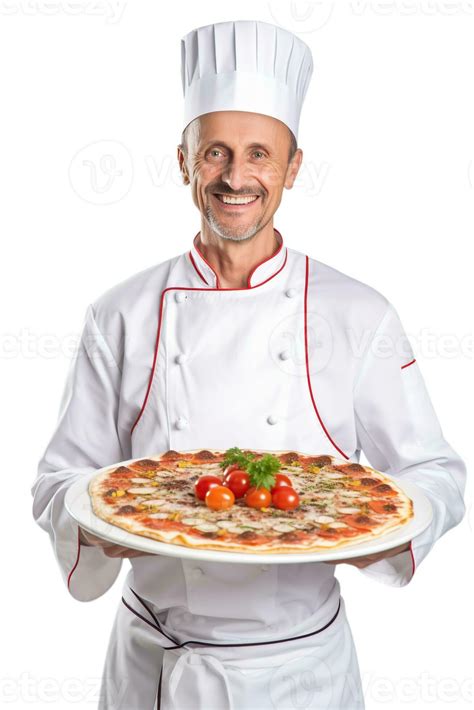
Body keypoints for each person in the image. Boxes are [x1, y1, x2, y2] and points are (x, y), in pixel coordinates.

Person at [31, 19, 467, 710]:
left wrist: (379, 539)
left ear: (293, 168)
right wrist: (94, 525)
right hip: (153, 663)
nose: (236, 177)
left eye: (259, 154)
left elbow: (438, 474)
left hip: (300, 673)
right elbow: (59, 478)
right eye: (215, 153)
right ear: (183, 161)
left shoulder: (359, 314)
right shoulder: (118, 313)